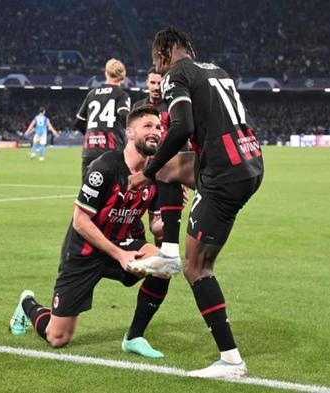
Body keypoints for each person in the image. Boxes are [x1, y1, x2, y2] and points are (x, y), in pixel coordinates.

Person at [129, 26, 264, 378]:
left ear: (162, 54)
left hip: (223, 174)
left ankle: (231, 361)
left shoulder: (176, 73)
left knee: (198, 268)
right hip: (248, 161)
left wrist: (148, 169)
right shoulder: (216, 70)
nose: (157, 71)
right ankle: (169, 250)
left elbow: (182, 126)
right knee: (169, 171)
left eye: (156, 63)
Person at [10, 106, 193, 357]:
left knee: (164, 264)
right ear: (130, 132)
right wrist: (118, 254)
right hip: (85, 250)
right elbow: (80, 221)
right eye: (147, 126)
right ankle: (27, 303)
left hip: (125, 241)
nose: (155, 132)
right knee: (58, 337)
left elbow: (156, 227)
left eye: (158, 127)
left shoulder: (158, 173)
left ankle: (134, 336)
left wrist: (174, 211)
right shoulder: (104, 167)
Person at [134, 67, 187, 268]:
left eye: (159, 83)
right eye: (152, 83)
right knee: (132, 220)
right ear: (147, 83)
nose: (156, 87)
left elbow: (183, 143)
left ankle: (162, 267)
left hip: (166, 176)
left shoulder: (172, 106)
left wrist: (182, 180)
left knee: (160, 229)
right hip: (143, 175)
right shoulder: (138, 107)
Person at [75, 58, 131, 178]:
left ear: (106, 73)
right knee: (113, 193)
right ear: (123, 77)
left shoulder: (92, 94)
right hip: (111, 151)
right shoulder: (122, 95)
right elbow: (123, 115)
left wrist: (93, 135)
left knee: (87, 194)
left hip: (90, 150)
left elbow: (79, 121)